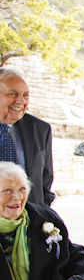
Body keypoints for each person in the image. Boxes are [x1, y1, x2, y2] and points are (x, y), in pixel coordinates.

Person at [0, 68, 54, 206]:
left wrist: (42, 213)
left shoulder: (41, 129)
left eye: (25, 95)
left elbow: (45, 181)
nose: (20, 100)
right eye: (13, 94)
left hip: (28, 219)